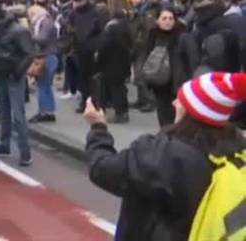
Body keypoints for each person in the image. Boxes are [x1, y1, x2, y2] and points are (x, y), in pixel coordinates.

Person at [84, 72, 246, 240]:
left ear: (192, 112)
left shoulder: (161, 154)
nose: (174, 102)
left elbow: (101, 168)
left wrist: (98, 128)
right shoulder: (236, 153)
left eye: (181, 100)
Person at [0, 4, 35, 166]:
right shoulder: (3, 28)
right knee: (4, 111)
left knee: (17, 115)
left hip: (13, 75)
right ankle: (5, 144)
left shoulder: (17, 30)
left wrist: (17, 72)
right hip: (4, 74)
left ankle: (25, 152)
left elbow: (29, 53)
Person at [144, 7, 190, 127]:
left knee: (176, 113)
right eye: (164, 18)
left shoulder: (182, 35)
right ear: (158, 21)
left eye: (171, 18)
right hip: (158, 81)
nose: (168, 21)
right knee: (162, 111)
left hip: (176, 80)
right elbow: (147, 56)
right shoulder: (153, 34)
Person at [96, 0, 133, 124]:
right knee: (120, 88)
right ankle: (123, 112)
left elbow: (104, 46)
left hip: (111, 63)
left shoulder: (110, 27)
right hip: (123, 61)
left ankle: (120, 114)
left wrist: (99, 60)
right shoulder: (126, 24)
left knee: (115, 89)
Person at [28, 4, 58, 123]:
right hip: (47, 55)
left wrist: (30, 36)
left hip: (46, 56)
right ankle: (48, 110)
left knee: (43, 86)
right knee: (45, 85)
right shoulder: (47, 21)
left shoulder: (45, 23)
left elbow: (43, 39)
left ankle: (44, 111)